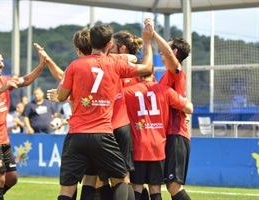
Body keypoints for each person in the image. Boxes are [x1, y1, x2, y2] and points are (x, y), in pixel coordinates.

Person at [56, 21, 153, 200]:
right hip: (103, 134)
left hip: (76, 134)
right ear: (109, 44)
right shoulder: (114, 64)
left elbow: (61, 96)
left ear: (90, 42)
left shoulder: (74, 66)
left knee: (68, 189)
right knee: (122, 178)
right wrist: (147, 42)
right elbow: (147, 68)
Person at [0, 44, 47, 200]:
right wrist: (1, 89)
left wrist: (41, 65)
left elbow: (25, 80)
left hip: (3, 138)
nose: (1, 64)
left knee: (11, 178)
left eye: (2, 61)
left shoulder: (4, 80)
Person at [124, 70, 193, 200]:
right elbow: (188, 108)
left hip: (139, 146)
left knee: (137, 187)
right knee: (155, 189)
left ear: (137, 74)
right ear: (153, 72)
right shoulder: (165, 90)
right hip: (158, 147)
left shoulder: (127, 92)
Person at [93, 30, 145, 200]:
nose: (110, 49)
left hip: (115, 128)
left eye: (112, 46)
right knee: (123, 178)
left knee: (106, 179)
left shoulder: (116, 67)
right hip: (125, 129)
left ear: (122, 49)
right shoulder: (121, 67)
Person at [149, 20, 192, 200]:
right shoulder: (164, 76)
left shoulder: (177, 72)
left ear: (174, 52)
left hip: (176, 134)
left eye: (166, 48)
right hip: (167, 134)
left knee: (174, 186)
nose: (161, 51)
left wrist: (153, 34)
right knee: (167, 184)